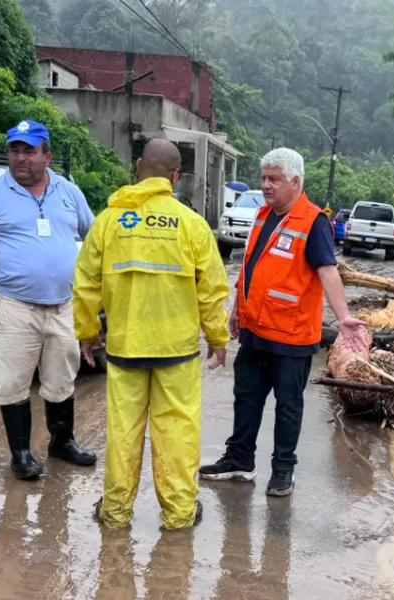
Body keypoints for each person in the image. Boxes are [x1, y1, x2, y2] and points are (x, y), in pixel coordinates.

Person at [72, 139, 230, 529]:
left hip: (125, 347)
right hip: (176, 351)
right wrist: (217, 337)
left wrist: (88, 333)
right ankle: (178, 516)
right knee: (177, 432)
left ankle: (115, 513)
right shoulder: (191, 224)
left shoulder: (109, 221)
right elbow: (211, 287)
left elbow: (86, 283)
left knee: (123, 432)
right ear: (175, 177)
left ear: (138, 166)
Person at [199, 148, 366, 497]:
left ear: (295, 181)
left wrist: (344, 316)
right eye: (263, 178)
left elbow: (327, 271)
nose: (266, 185)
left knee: (288, 406)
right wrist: (236, 309)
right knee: (246, 397)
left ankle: (283, 471)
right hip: (255, 332)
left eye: (273, 179)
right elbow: (251, 267)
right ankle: (240, 460)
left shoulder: (313, 221)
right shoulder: (262, 215)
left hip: (291, 338)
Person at [0, 119, 96, 481]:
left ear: (47, 156)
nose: (21, 158)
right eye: (15, 150)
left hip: (63, 305)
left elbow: (95, 235)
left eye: (29, 151)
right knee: (12, 382)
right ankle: (21, 453)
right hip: (14, 307)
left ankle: (62, 442)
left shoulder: (69, 192)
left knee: (61, 379)